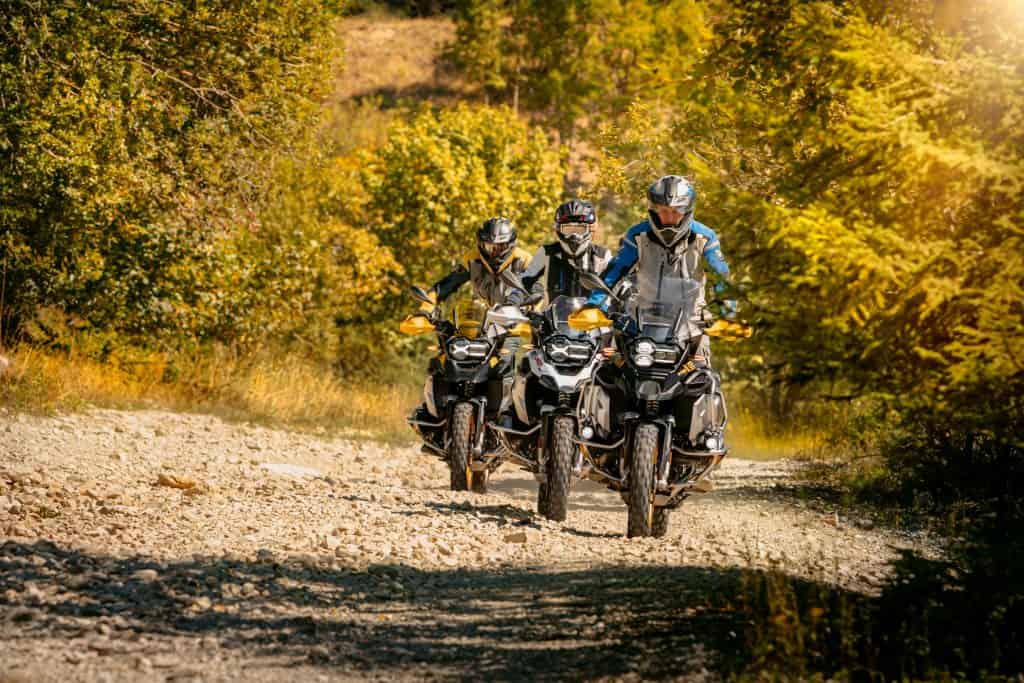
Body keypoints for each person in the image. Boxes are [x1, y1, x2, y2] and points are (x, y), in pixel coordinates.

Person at [585, 175, 734, 365]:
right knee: (607, 372)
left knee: (703, 378)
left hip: (691, 324)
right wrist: (594, 305)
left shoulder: (705, 237)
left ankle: (711, 394)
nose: (669, 218)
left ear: (687, 211)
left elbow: (721, 277)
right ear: (654, 210)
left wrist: (728, 314)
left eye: (676, 211)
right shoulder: (638, 235)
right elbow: (614, 272)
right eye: (664, 211)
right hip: (640, 322)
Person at [521, 199, 612, 305]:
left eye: (579, 230)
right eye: (568, 229)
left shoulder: (602, 256)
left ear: (590, 229)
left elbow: (614, 285)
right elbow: (524, 280)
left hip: (593, 319)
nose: (574, 236)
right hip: (551, 319)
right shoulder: (547, 253)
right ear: (559, 229)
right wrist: (513, 300)